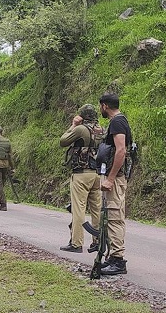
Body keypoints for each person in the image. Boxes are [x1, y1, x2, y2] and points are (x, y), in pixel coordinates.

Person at [59, 104, 104, 253]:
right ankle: (97, 241)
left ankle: (76, 243)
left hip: (81, 174)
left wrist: (73, 124)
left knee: (79, 208)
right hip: (98, 174)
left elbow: (63, 141)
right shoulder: (101, 130)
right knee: (96, 209)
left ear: (82, 116)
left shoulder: (80, 129)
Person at [98, 92, 132, 275]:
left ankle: (118, 261)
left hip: (116, 178)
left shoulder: (118, 122)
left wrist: (110, 179)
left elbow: (121, 151)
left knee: (115, 216)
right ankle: (113, 257)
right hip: (115, 176)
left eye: (100, 107)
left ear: (104, 106)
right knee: (111, 217)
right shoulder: (117, 122)